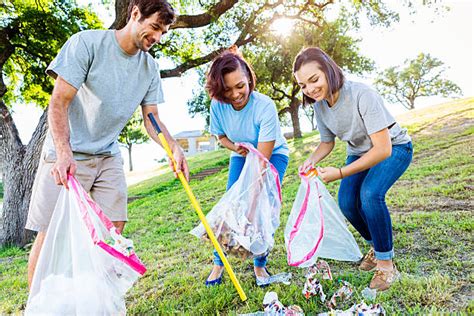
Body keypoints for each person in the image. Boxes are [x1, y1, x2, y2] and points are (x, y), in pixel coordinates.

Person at [26, 0, 189, 288]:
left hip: (107, 155)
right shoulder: (87, 44)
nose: (157, 38)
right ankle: (37, 305)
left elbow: (152, 119)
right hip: (67, 152)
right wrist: (64, 153)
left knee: (111, 231)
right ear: (135, 13)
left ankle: (91, 298)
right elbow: (59, 101)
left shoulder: (149, 68)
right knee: (51, 234)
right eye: (153, 28)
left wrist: (173, 147)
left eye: (163, 32)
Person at [294, 47, 413, 291]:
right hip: (359, 152)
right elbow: (327, 142)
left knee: (370, 195)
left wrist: (339, 173)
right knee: (347, 202)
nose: (310, 89)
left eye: (314, 79)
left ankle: (386, 264)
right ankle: (377, 246)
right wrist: (311, 160)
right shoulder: (320, 105)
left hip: (395, 147)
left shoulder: (362, 94)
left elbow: (382, 150)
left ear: (328, 70)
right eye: (303, 85)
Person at [204, 50, 290, 286]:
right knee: (231, 204)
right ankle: (218, 264)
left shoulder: (265, 106)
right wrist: (235, 147)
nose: (235, 94)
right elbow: (221, 137)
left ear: (250, 79)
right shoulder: (218, 105)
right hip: (242, 155)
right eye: (227, 90)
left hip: (271, 155)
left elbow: (262, 162)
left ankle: (260, 267)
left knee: (262, 205)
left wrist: (251, 208)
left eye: (240, 86)